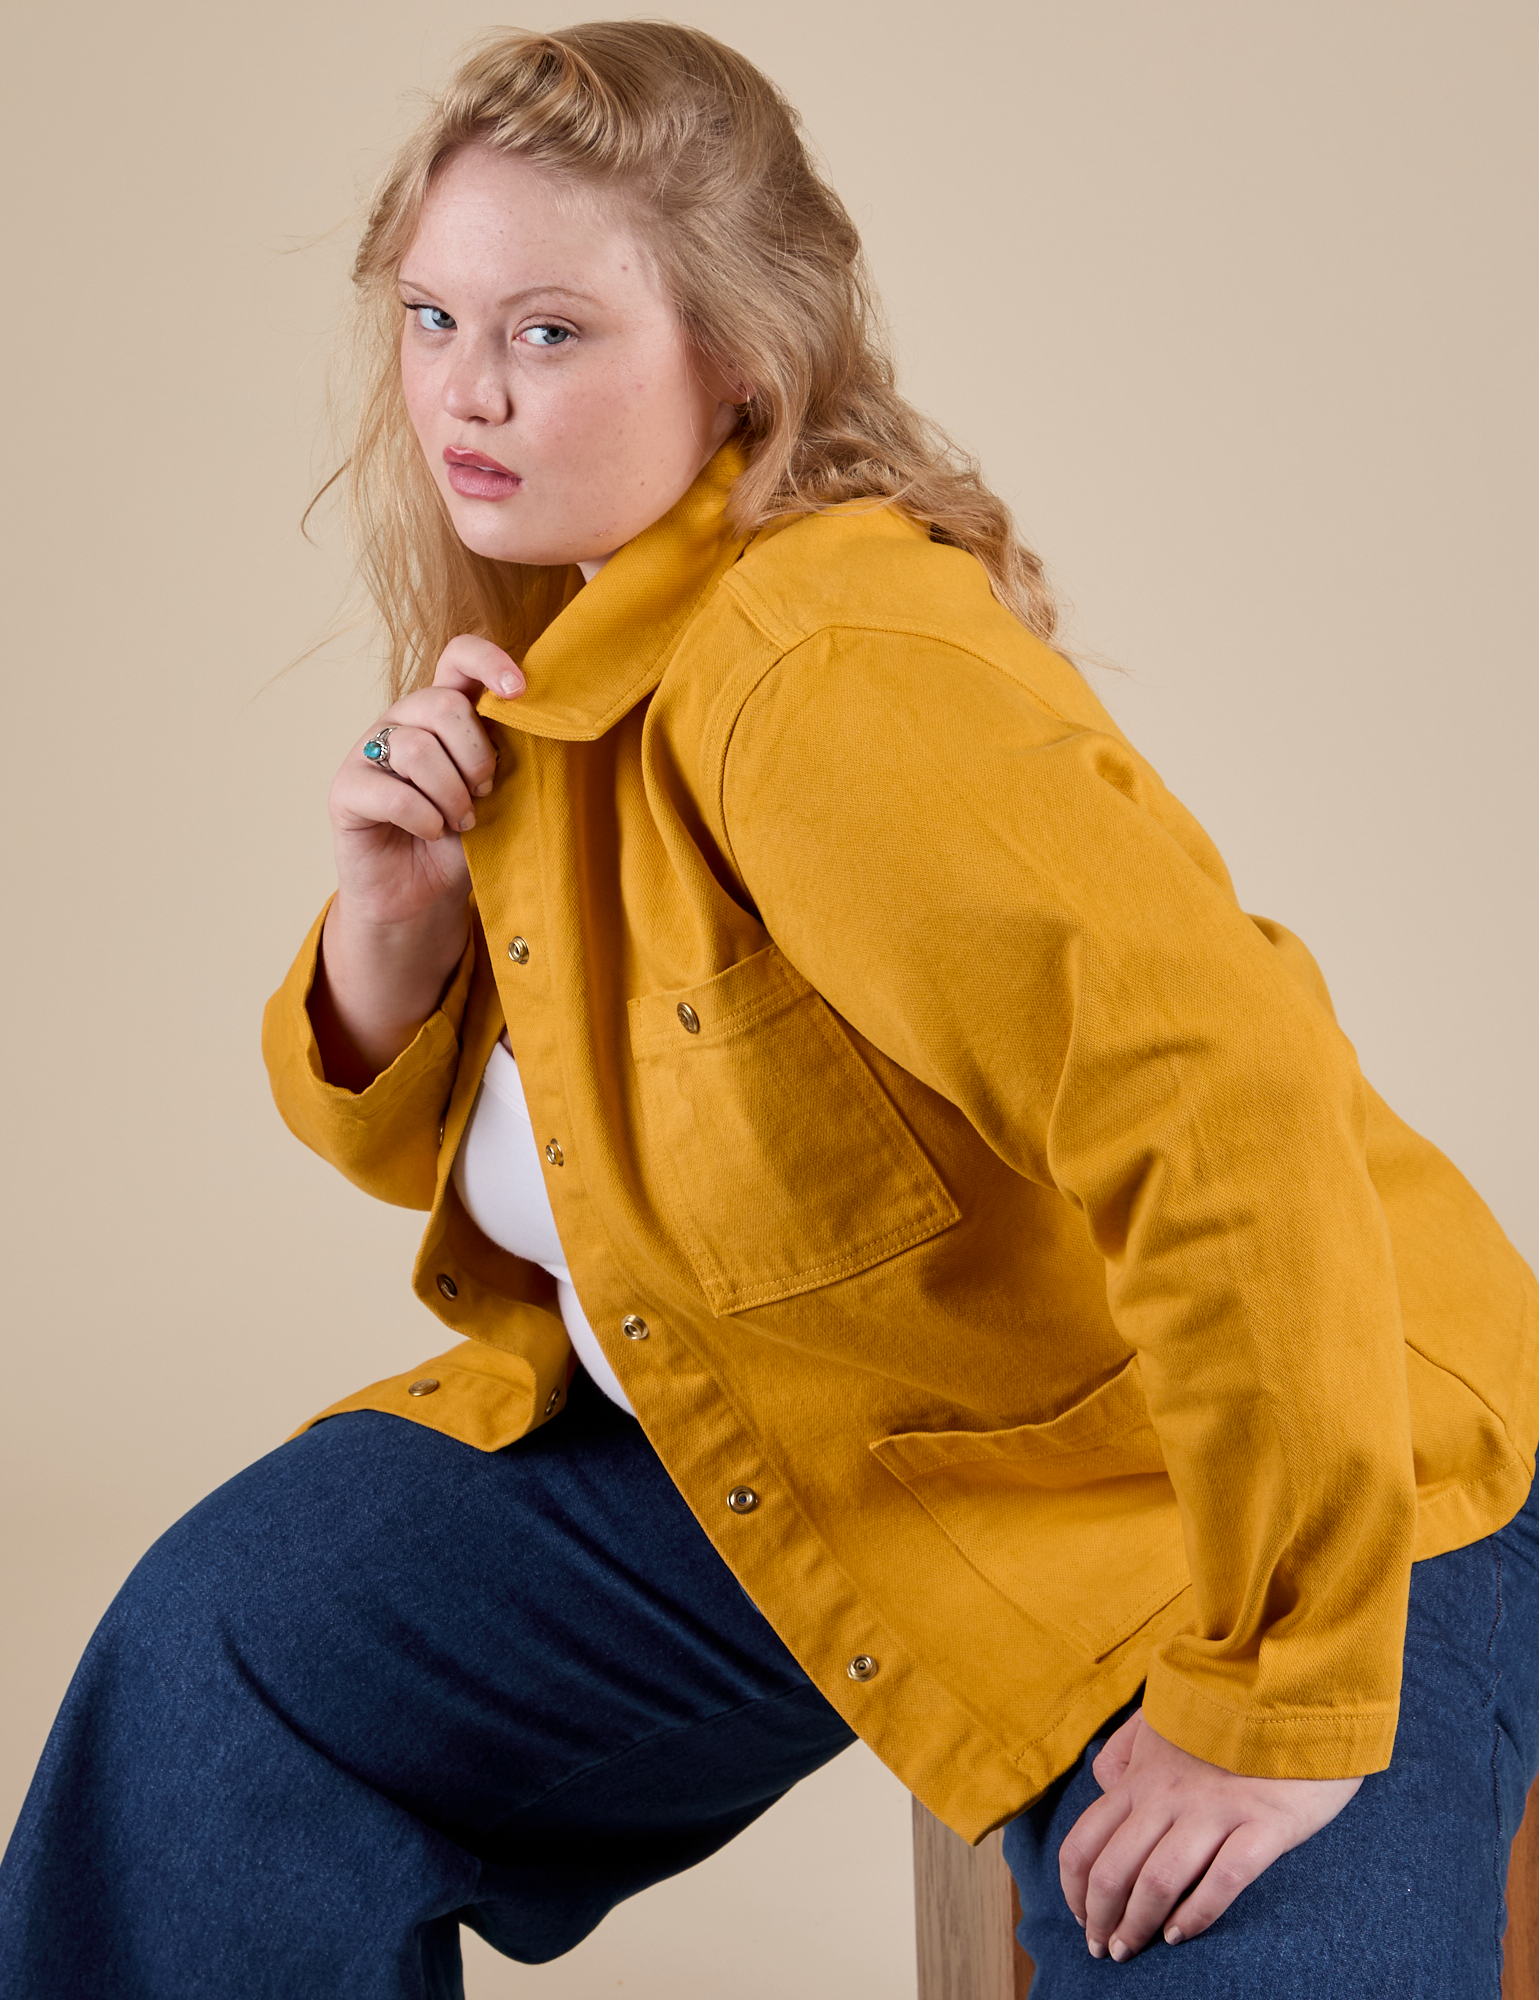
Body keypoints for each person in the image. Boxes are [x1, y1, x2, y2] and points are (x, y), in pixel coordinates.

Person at [2, 21, 1535, 1998]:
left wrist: (1276, 1686)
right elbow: (601, 1170)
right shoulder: (568, 653)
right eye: (436, 315)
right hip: (818, 1450)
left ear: (739, 357)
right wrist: (392, 939)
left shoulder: (816, 677)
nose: (466, 390)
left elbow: (1230, 1118)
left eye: (549, 333)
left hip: (1280, 1489)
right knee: (220, 1669)